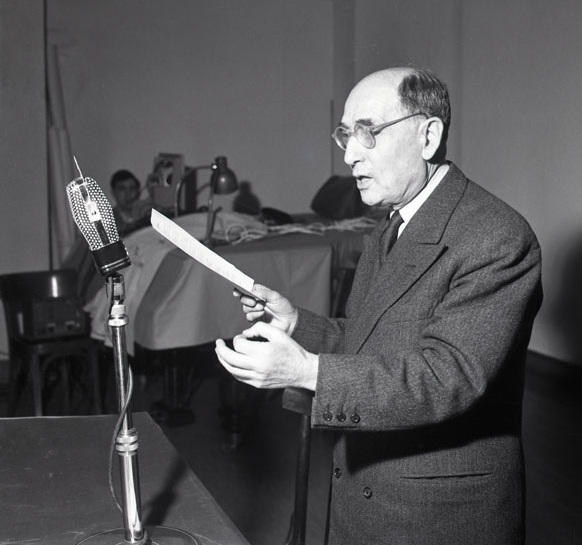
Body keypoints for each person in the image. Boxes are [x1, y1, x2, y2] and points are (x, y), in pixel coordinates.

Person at [215, 67, 543, 544]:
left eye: (368, 132)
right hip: (367, 489)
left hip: (436, 517)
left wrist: (306, 371)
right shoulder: (392, 227)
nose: (349, 153)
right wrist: (294, 323)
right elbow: (367, 340)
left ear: (428, 136)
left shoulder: (496, 237)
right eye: (346, 134)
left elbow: (446, 378)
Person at [109, 169, 150, 235]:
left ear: (138, 192)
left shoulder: (147, 215)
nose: (128, 194)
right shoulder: (108, 221)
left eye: (132, 188)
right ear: (113, 192)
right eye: (122, 189)